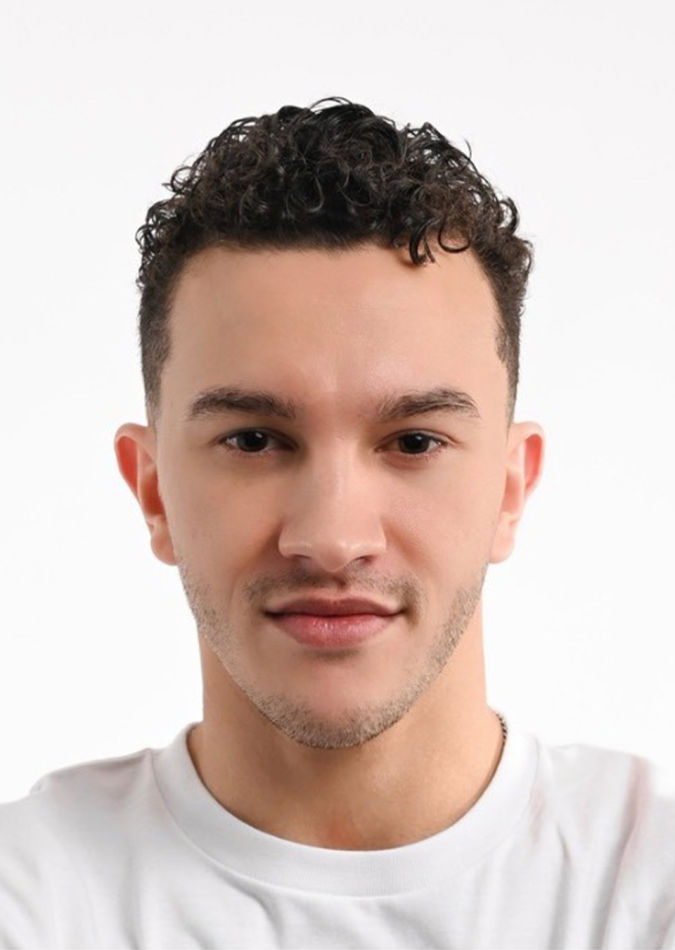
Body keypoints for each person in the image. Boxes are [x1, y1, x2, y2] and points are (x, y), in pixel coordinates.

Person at [1, 96, 673, 950]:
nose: (331, 539)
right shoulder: (30, 899)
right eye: (254, 440)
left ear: (510, 490)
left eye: (414, 441)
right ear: (154, 491)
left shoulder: (647, 888)